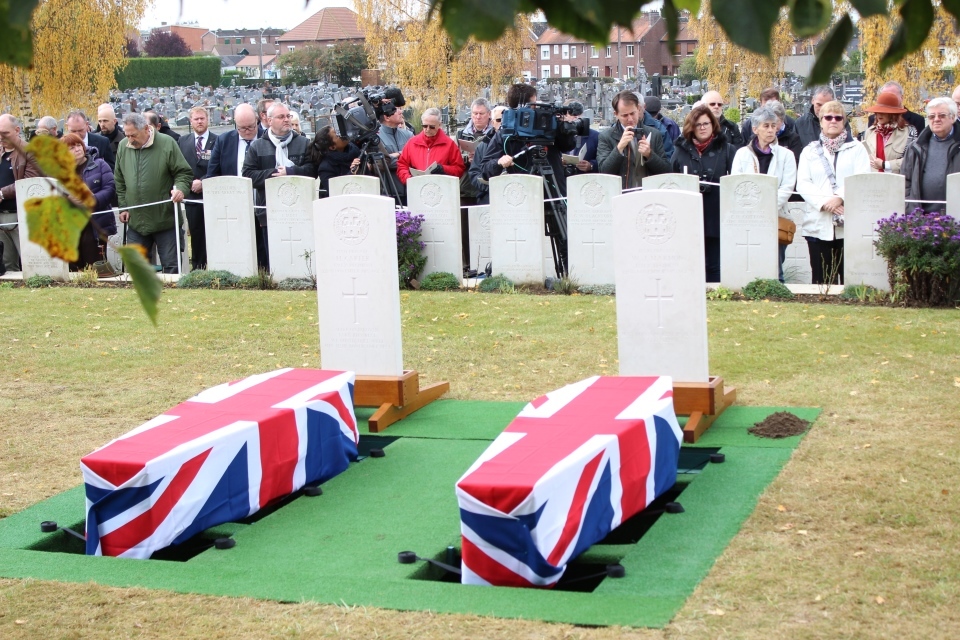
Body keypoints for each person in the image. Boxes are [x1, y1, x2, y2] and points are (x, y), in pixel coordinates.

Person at [796, 100, 870, 285]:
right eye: (828, 117)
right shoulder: (809, 151)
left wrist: (840, 198)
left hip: (848, 223)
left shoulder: (857, 149)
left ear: (844, 121)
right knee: (822, 279)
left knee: (849, 279)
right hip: (818, 222)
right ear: (821, 121)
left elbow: (862, 178)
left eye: (838, 117)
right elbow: (803, 183)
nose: (833, 121)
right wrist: (825, 203)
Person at [114, 113, 194, 274]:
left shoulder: (166, 143)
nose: (130, 139)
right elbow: (120, 179)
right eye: (127, 135)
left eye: (133, 135)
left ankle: (174, 298)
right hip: (136, 221)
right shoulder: (123, 146)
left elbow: (183, 173)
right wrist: (123, 207)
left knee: (172, 268)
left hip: (166, 220)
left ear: (146, 128)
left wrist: (180, 189)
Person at [242, 102, 315, 270]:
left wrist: (290, 171)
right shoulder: (258, 146)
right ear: (269, 120)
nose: (286, 120)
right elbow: (247, 175)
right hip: (269, 211)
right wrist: (274, 174)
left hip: (299, 210)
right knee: (274, 258)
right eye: (281, 117)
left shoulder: (303, 143)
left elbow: (312, 170)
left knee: (300, 256)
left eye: (288, 116)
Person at [731, 104, 798, 281]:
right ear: (755, 129)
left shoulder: (786, 155)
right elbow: (737, 184)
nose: (770, 130)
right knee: (750, 261)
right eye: (765, 126)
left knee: (776, 264)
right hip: (747, 216)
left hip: (775, 215)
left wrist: (766, 207)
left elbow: (787, 186)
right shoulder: (742, 155)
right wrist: (753, 208)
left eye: (773, 126)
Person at [671, 104, 737, 282]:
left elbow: (734, 182)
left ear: (713, 125)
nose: (702, 128)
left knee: (714, 264)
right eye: (698, 124)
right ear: (691, 127)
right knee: (690, 263)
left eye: (706, 123)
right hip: (688, 215)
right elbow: (672, 180)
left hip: (716, 214)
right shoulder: (680, 150)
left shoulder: (727, 149)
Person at [479, 83, 577, 196]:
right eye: (533, 105)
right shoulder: (506, 135)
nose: (536, 109)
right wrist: (498, 163)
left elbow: (568, 146)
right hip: (522, 197)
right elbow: (485, 170)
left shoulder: (548, 125)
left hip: (554, 193)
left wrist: (564, 129)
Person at [61, 133, 116, 270]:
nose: (77, 149)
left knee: (96, 263)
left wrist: (92, 199)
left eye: (79, 145)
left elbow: (110, 189)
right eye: (71, 148)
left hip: (96, 222)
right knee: (74, 264)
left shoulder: (99, 164)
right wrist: (68, 200)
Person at [597, 90, 670, 190]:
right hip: (620, 195)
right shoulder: (606, 136)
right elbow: (604, 171)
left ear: (639, 109)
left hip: (648, 194)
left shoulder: (654, 134)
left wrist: (649, 155)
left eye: (633, 113)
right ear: (616, 114)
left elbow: (666, 171)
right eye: (625, 115)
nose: (630, 119)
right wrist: (619, 148)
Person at [900, 97, 960, 213]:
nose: (936, 119)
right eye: (932, 116)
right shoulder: (915, 147)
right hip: (920, 220)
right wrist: (909, 208)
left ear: (953, 117)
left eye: (942, 115)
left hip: (955, 220)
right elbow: (905, 181)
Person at [177, 107, 218, 270]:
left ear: (208, 120)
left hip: (212, 195)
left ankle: (217, 266)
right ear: (191, 121)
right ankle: (198, 268)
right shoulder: (183, 141)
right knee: (196, 234)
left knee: (215, 233)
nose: (200, 122)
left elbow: (221, 166)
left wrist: (204, 182)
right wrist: (189, 185)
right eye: (196, 119)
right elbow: (179, 168)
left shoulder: (218, 140)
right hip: (192, 197)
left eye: (202, 118)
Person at [0, 114, 41, 271]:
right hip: (1, 215)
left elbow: (29, 182)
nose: (1, 137)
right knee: (7, 265)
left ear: (17, 130)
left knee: (31, 263)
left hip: (22, 216)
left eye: (5, 133)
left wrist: (2, 194)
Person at [396, 108, 465, 184]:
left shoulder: (449, 144)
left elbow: (459, 169)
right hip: (417, 187)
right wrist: (409, 179)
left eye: (432, 127)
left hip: (440, 188)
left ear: (439, 125)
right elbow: (402, 166)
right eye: (425, 126)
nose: (428, 129)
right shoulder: (412, 143)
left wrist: (444, 169)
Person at [861, 91, 918, 174]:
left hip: (897, 183)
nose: (879, 115)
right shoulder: (870, 132)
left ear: (893, 114)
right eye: (877, 112)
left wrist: (885, 165)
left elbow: (912, 160)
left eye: (883, 112)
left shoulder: (909, 132)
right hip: (873, 182)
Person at [206, 104, 259, 178]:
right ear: (236, 123)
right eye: (242, 128)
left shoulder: (267, 138)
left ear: (256, 120)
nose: (247, 132)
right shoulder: (223, 141)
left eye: (251, 127)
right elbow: (212, 174)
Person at [377, 98, 414, 202]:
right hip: (388, 192)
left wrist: (396, 155)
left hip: (410, 190)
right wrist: (405, 157)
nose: (401, 111)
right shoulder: (377, 138)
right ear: (386, 117)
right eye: (396, 109)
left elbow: (417, 158)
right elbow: (382, 163)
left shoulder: (408, 134)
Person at [468, 104, 505, 205]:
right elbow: (474, 174)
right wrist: (489, 186)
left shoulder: (520, 143)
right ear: (492, 123)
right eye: (498, 120)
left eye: (506, 119)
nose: (502, 123)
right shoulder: (483, 145)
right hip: (488, 196)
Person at [310, 125, 361, 197]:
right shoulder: (325, 168)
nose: (342, 135)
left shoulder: (355, 151)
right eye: (337, 135)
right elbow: (336, 190)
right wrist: (351, 173)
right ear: (332, 147)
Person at [564, 100, 598, 175]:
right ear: (565, 115)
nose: (576, 117)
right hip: (563, 179)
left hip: (584, 178)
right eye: (572, 114)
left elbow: (603, 160)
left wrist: (591, 165)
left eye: (579, 114)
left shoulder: (595, 136)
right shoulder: (560, 135)